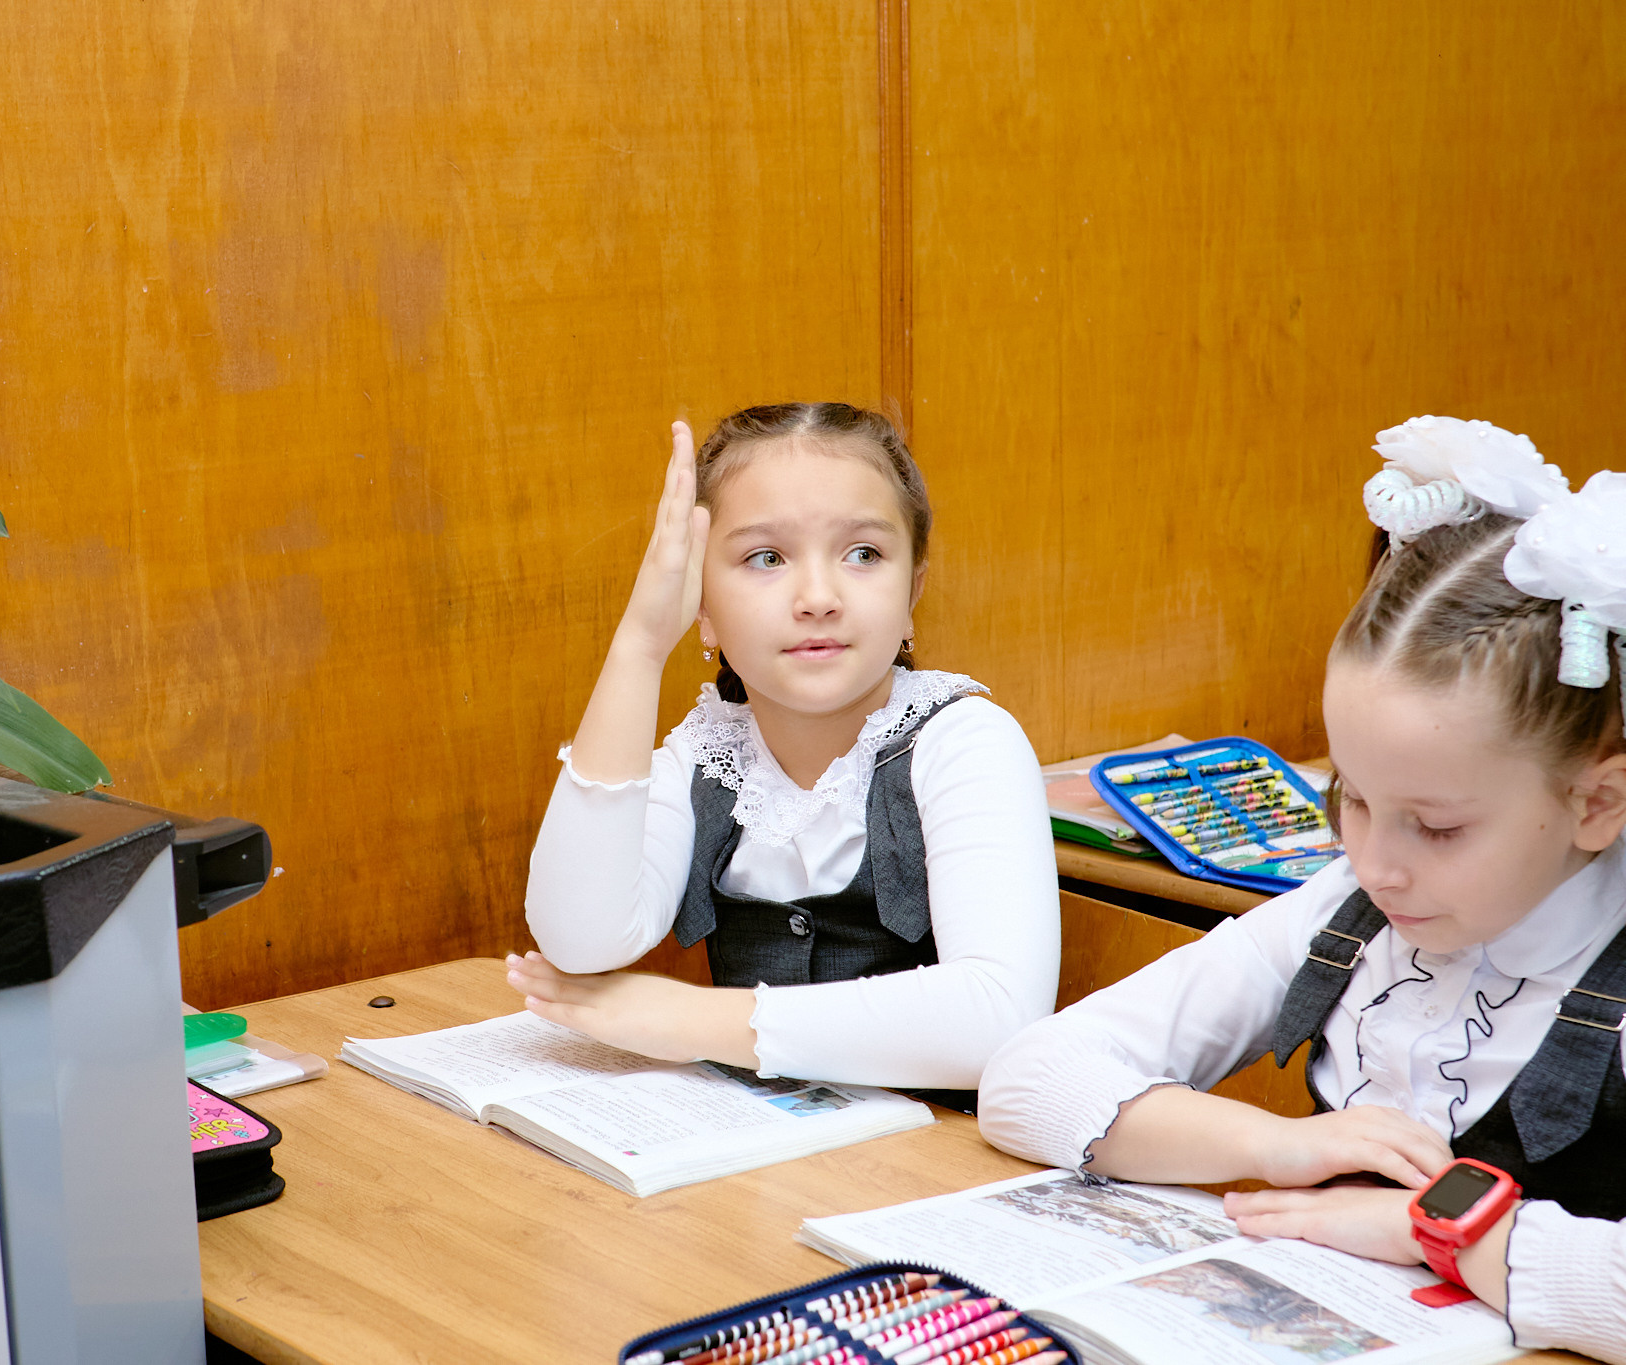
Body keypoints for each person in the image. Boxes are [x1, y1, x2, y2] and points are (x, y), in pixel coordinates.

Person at [977, 416, 1626, 1361]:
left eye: (1437, 825)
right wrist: (1274, 1146)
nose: (1375, 862)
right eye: (1350, 799)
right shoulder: (1349, 914)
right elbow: (1027, 1078)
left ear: (1598, 802)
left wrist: (1433, 1230)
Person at [513, 403, 1057, 1089]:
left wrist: (689, 1019)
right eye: (766, 557)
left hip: (932, 1163)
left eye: (864, 553)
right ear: (701, 604)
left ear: (913, 588)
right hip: (759, 1160)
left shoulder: (966, 742)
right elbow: (578, 938)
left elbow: (998, 1017)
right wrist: (639, 647)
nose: (819, 596)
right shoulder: (707, 756)